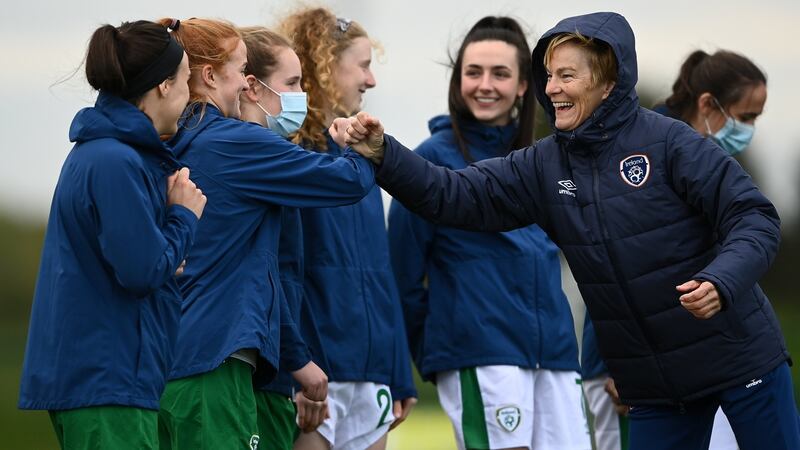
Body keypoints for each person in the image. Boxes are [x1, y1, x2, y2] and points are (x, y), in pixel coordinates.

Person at [338, 11, 800, 450]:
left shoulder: (669, 141)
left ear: (609, 81)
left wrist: (722, 280)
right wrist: (384, 154)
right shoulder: (544, 163)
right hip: (659, 389)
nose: (551, 87)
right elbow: (451, 193)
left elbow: (754, 217)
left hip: (740, 363)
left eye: (567, 75)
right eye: (549, 75)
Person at [154, 17, 376, 450]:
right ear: (211, 75)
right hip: (213, 357)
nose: (246, 83)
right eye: (240, 71)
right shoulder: (234, 142)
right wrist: (362, 144)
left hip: (178, 354)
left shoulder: (180, 138)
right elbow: (347, 182)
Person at [386, 16, 589, 450]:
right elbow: (401, 277)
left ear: (522, 86)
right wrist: (441, 352)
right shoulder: (427, 162)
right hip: (481, 357)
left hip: (554, 355)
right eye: (473, 72)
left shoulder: (547, 162)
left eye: (500, 74)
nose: (485, 85)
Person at [18, 20, 205, 449]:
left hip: (105, 381)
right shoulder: (115, 161)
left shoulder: (108, 153)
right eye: (185, 78)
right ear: (162, 86)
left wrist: (163, 248)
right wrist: (183, 218)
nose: (190, 93)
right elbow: (142, 271)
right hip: (108, 381)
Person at [278, 8, 417, 450]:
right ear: (324, 64)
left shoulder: (363, 163)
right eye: (363, 65)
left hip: (371, 375)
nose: (371, 81)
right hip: (316, 380)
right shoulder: (292, 157)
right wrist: (295, 368)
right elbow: (283, 273)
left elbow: (381, 272)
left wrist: (397, 372)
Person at [238, 25, 329, 449]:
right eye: (291, 84)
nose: (300, 97)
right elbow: (270, 279)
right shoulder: (253, 159)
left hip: (276, 371)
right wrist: (299, 362)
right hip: (260, 372)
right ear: (252, 87)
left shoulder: (267, 155)